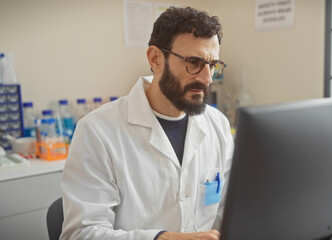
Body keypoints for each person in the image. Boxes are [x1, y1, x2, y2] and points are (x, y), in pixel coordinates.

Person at [60, 6, 234, 240]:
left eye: (212, 65)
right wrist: (163, 238)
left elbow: (231, 207)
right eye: (194, 62)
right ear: (155, 59)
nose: (207, 78)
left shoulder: (218, 125)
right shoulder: (97, 131)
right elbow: (80, 234)